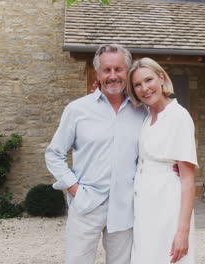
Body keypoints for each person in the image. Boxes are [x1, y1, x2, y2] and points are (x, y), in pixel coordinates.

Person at [45, 44, 148, 264]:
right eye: (106, 70)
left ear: (127, 72)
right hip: (86, 204)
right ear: (97, 73)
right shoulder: (77, 110)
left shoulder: (142, 112)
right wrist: (75, 188)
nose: (112, 76)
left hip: (125, 207)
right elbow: (54, 154)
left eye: (118, 69)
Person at [126, 57, 198, 264]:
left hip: (168, 206)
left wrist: (182, 231)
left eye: (149, 80)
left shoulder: (178, 116)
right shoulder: (147, 116)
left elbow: (187, 179)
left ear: (161, 78)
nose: (145, 88)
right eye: (138, 84)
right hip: (144, 207)